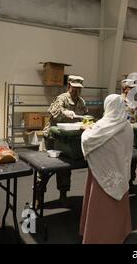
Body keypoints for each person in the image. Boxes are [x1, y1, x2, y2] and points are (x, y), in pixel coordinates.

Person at [79, 94, 133, 244]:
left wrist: (86, 130)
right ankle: (119, 232)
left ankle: (97, 236)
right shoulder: (127, 125)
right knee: (117, 206)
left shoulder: (103, 125)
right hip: (120, 173)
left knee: (100, 207)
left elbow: (89, 140)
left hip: (102, 173)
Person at [41, 75, 88, 207]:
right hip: (52, 137)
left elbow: (84, 116)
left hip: (67, 139)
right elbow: (53, 110)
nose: (77, 91)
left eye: (79, 89)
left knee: (64, 168)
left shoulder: (81, 101)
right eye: (74, 88)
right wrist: (64, 112)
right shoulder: (62, 98)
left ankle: (63, 195)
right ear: (68, 86)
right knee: (44, 168)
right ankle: (38, 196)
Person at [121, 78, 137, 194]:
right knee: (121, 161)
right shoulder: (118, 101)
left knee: (133, 160)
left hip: (133, 135)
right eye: (132, 88)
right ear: (125, 89)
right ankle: (121, 185)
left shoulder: (135, 102)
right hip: (121, 136)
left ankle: (130, 182)